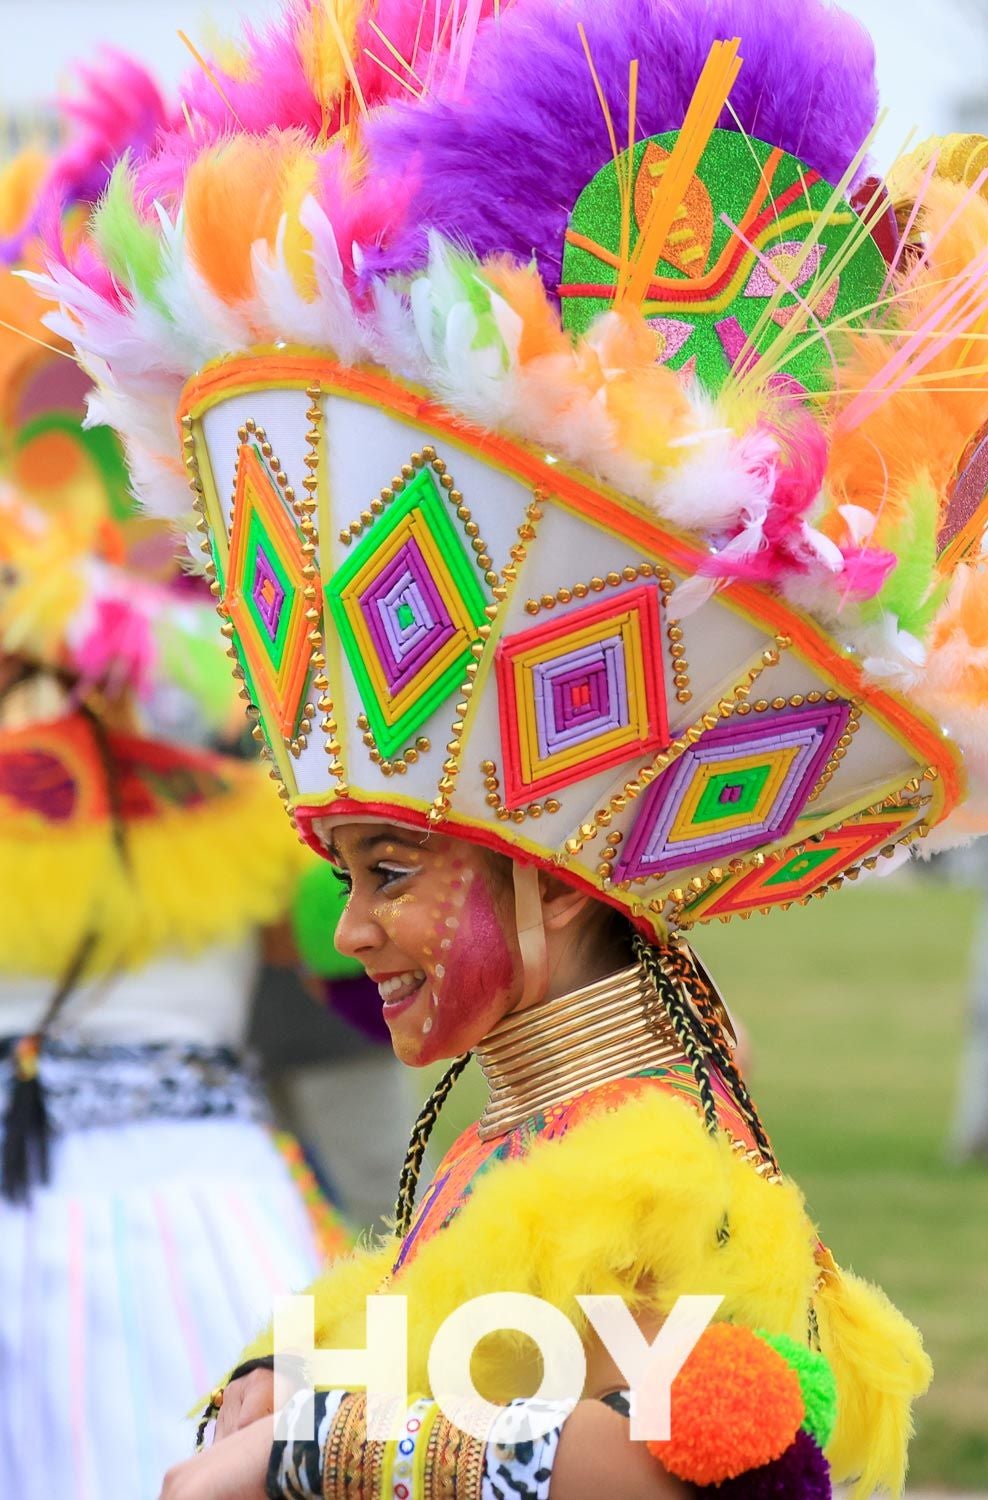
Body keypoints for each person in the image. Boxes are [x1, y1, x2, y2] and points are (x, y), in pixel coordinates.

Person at [36, 0, 988, 1494]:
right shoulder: (519, 1136)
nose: (351, 927)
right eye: (349, 872)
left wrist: (305, 1444)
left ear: (550, 882)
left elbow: (736, 1444)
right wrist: (296, 1384)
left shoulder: (651, 1156)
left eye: (394, 866)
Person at [0, 93, 350, 1500]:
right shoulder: (266, 656)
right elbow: (345, 959)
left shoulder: (236, 661)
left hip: (184, 1211)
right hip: (191, 1209)